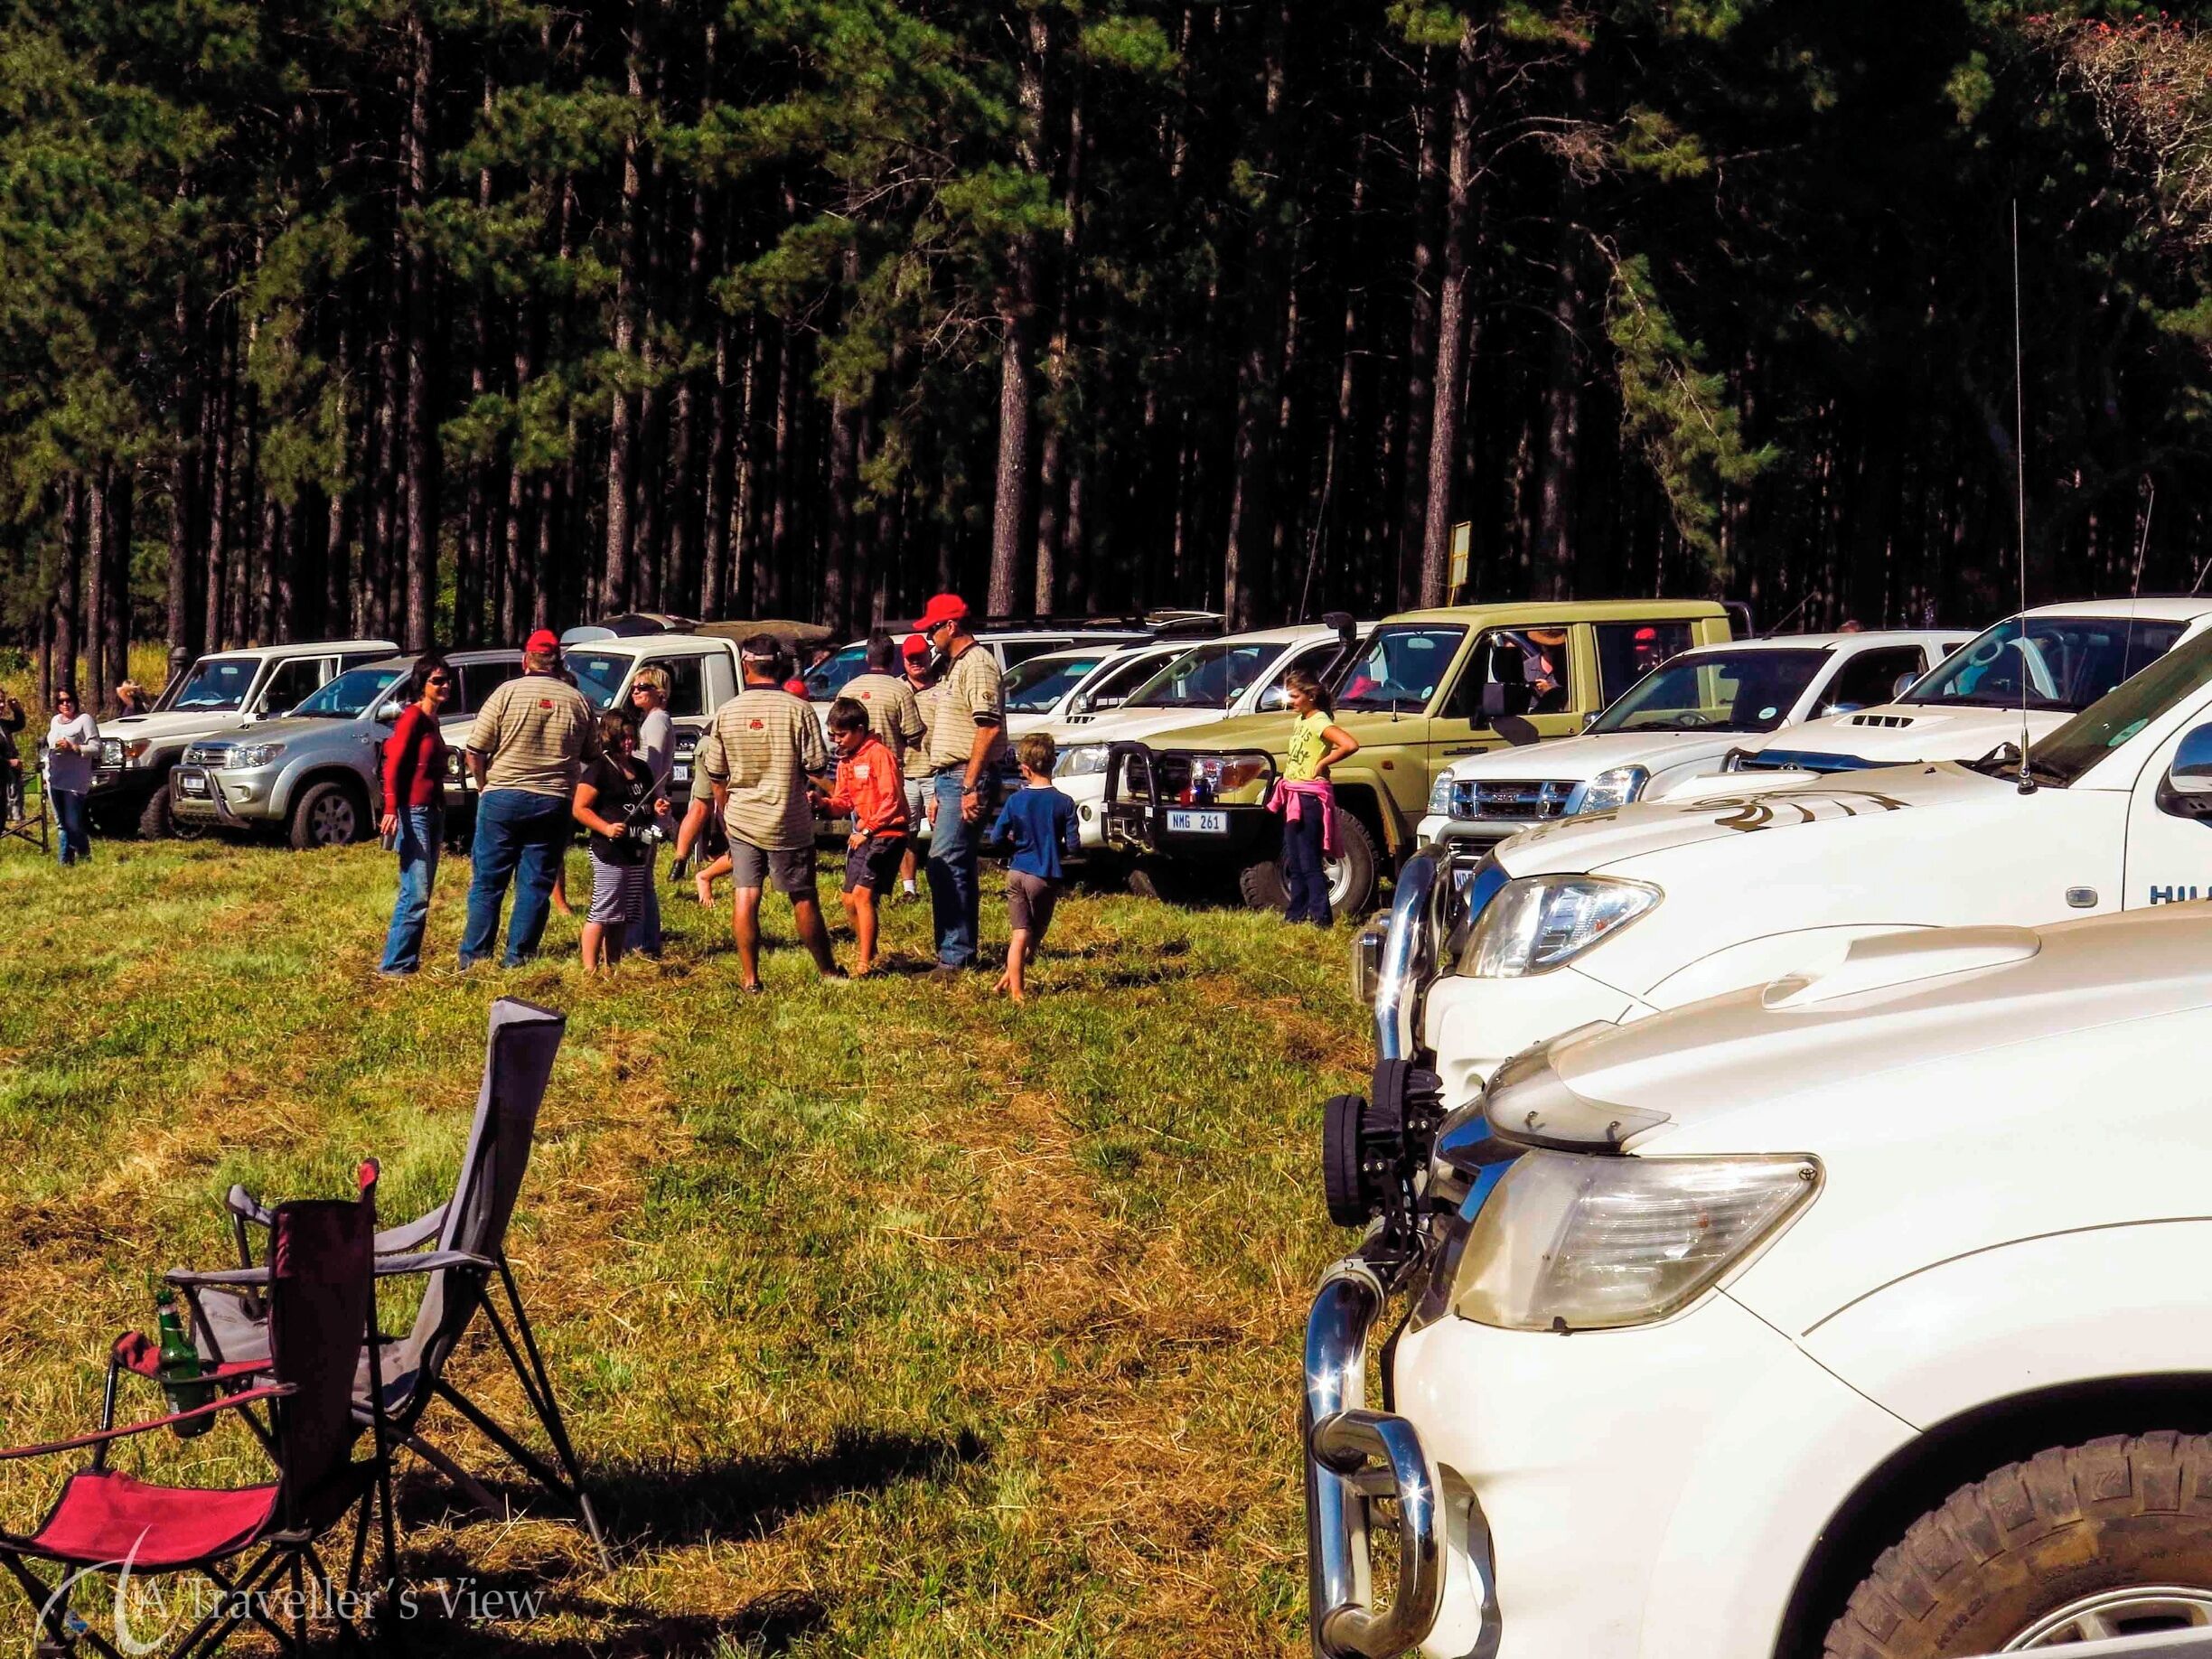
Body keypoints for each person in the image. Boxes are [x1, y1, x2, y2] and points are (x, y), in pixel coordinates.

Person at [694, 633, 839, 991]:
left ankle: (750, 979)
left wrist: (725, 815)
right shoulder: (799, 709)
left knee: (746, 895)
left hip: (743, 817)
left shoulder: (727, 712)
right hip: (788, 819)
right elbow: (816, 766)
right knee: (803, 895)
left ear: (746, 665)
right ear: (778, 666)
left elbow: (717, 775)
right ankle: (828, 972)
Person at [458, 628, 598, 970]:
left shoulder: (506, 692)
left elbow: (475, 749)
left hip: (503, 795)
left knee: (488, 882)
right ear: (558, 663)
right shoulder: (578, 701)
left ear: (526, 659)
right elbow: (592, 753)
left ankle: (475, 957)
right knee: (535, 884)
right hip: (553, 799)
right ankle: (518, 956)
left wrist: (483, 785)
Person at [915, 594, 1004, 975]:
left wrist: (969, 786)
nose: (929, 636)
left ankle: (954, 957)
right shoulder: (957, 666)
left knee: (945, 864)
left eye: (933, 628)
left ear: (951, 626)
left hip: (965, 775)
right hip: (951, 778)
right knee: (953, 864)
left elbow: (988, 727)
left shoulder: (978, 665)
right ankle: (956, 952)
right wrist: (940, 789)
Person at [816, 696, 909, 976]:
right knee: (848, 898)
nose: (837, 741)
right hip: (864, 832)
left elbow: (892, 800)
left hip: (888, 831)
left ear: (859, 729)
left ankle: (864, 963)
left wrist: (867, 830)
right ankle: (870, 948)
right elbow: (843, 801)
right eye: (832, 735)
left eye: (842, 735)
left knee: (862, 895)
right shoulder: (846, 760)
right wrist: (822, 804)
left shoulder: (879, 754)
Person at [989, 732, 1081, 1004]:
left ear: (1025, 768)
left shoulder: (1015, 800)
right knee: (1035, 935)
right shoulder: (1064, 802)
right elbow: (1074, 845)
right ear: (1054, 763)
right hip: (1044, 875)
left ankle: (1013, 988)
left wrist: (1013, 846)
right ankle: (1016, 988)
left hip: (1016, 872)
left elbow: (996, 838)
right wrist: (1057, 849)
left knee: (1019, 934)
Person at [573, 709, 668, 970]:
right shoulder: (599, 770)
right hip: (610, 852)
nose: (628, 742)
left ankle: (612, 966)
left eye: (631, 737)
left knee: (623, 913)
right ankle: (590, 970)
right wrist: (605, 828)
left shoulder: (641, 769)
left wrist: (658, 808)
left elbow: (649, 802)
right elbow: (580, 808)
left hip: (638, 849)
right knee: (603, 911)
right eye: (623, 737)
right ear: (610, 737)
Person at [377, 653, 453, 978]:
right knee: (416, 891)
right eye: (438, 681)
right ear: (422, 684)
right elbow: (392, 763)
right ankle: (395, 965)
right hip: (413, 811)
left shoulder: (433, 720)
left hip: (434, 809)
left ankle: (407, 961)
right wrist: (391, 808)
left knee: (423, 890)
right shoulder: (412, 716)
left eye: (447, 680)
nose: (445, 685)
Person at [1269, 667, 1359, 927]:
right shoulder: (1301, 720)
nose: (1291, 702)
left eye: (1295, 696)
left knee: (1309, 861)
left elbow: (1350, 744)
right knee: (1295, 860)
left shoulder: (1319, 720)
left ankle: (1322, 918)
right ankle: (1295, 915)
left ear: (1310, 696)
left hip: (1309, 796)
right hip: (1294, 794)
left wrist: (1323, 763)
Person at [629, 668, 676, 957]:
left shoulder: (657, 720)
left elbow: (653, 768)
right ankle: (646, 941)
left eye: (643, 686)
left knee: (638, 873)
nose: (636, 691)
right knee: (643, 876)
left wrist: (640, 803)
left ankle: (639, 941)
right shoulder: (652, 720)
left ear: (660, 692)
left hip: (649, 811)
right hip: (652, 808)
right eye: (634, 687)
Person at [897, 632, 941, 903]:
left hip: (938, 772)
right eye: (911, 658)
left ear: (929, 656)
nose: (916, 663)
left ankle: (943, 885)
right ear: (903, 660)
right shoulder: (896, 689)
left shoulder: (943, 689)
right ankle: (909, 889)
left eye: (920, 657)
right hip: (906, 773)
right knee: (907, 832)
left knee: (943, 833)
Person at [44, 686, 98, 867]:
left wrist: (74, 748)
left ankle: (84, 853)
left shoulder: (84, 720)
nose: (65, 704)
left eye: (69, 700)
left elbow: (96, 748)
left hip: (75, 780)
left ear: (75, 701)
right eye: (61, 701)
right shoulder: (55, 721)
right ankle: (65, 861)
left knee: (73, 823)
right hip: (54, 778)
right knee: (61, 824)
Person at [0, 689, 25, 822]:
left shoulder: (2, 724)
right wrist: (9, 763)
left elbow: (19, 724)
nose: (2, 705)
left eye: (3, 701)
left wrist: (17, 710)